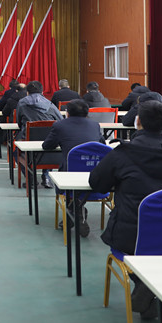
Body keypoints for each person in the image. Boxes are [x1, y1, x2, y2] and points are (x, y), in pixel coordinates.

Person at [89, 101, 162, 319]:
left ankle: (145, 283)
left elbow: (97, 184)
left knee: (134, 247)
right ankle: (152, 285)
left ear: (138, 123)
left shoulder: (122, 154)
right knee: (161, 249)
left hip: (131, 238)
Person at [42, 99, 105, 233]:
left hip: (69, 176)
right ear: (87, 113)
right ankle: (77, 210)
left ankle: (74, 210)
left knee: (63, 179)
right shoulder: (95, 125)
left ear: (67, 113)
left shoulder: (59, 126)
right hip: (96, 174)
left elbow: (47, 145)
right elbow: (102, 145)